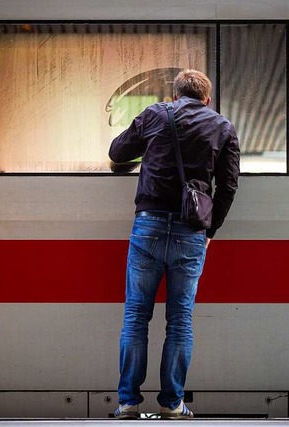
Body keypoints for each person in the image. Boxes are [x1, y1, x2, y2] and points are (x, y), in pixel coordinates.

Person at [109, 69, 240, 420]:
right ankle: (172, 403)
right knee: (179, 320)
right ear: (207, 99)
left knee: (136, 317)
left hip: (148, 225)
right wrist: (210, 231)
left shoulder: (155, 114)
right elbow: (228, 187)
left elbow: (117, 151)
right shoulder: (222, 127)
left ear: (176, 93)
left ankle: (127, 402)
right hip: (191, 231)